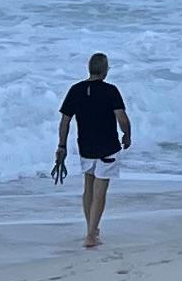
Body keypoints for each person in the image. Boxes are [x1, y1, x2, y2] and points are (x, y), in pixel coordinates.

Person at [52, 51, 133, 245]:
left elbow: (65, 121)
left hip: (86, 146)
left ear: (90, 69)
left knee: (88, 188)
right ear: (105, 71)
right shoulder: (111, 90)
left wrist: (61, 145)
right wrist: (127, 135)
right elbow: (122, 118)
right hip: (108, 147)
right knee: (100, 192)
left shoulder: (76, 90)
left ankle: (92, 229)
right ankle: (91, 234)